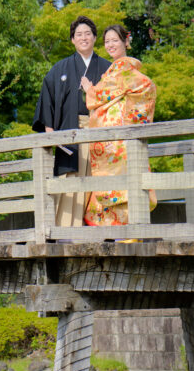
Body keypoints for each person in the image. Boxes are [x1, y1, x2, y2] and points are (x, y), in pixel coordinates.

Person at [32, 17, 111, 226]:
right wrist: (49, 128)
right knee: (70, 180)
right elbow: (47, 96)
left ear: (95, 38)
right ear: (72, 40)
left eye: (88, 34)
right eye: (79, 35)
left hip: (98, 133)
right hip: (69, 132)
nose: (83, 38)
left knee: (100, 180)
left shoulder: (108, 68)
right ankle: (68, 233)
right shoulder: (60, 69)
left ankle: (100, 231)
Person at [80, 24, 157, 226]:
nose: (110, 45)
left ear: (126, 42)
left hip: (118, 141)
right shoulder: (118, 71)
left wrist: (89, 89)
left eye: (115, 40)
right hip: (120, 140)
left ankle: (121, 233)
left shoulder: (122, 70)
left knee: (117, 185)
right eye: (107, 42)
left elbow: (99, 95)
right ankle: (129, 232)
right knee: (126, 184)